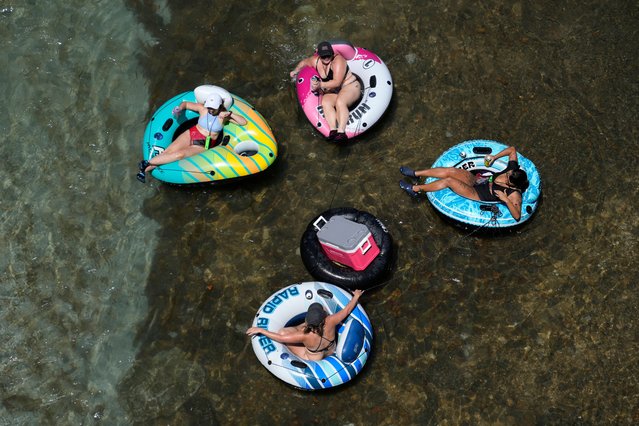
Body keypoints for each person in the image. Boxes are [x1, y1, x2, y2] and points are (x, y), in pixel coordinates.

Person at [136, 93, 247, 183]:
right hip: (192, 133)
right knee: (168, 151)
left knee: (180, 155)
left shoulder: (223, 117)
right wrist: (179, 109)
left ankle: (146, 163)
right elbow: (185, 104)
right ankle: (143, 171)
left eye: (213, 108)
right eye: (209, 107)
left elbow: (243, 122)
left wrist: (230, 114)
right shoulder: (203, 109)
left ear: (219, 106)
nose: (210, 110)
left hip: (203, 144)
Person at [399, 146, 529, 221]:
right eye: (507, 175)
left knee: (449, 181)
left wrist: (505, 199)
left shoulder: (514, 194)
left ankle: (415, 189)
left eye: (507, 179)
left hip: (476, 193)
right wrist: (495, 157)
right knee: (451, 171)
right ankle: (415, 173)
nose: (505, 177)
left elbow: (517, 216)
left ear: (513, 185)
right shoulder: (512, 171)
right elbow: (512, 150)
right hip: (478, 180)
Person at [246, 289, 364, 361]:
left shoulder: (304, 335)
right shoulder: (331, 321)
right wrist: (356, 296)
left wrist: (261, 330)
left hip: (315, 358)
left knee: (283, 334)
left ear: (308, 321)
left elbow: (281, 338)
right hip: (331, 350)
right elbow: (347, 310)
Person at [290, 41, 361, 142]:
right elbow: (304, 62)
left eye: (328, 55)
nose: (326, 58)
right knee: (325, 101)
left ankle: (341, 133)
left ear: (332, 53)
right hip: (337, 92)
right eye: (323, 56)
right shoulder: (316, 61)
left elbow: (337, 82)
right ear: (319, 55)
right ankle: (333, 131)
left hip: (351, 87)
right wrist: (295, 71)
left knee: (341, 101)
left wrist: (320, 85)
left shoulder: (338, 61)